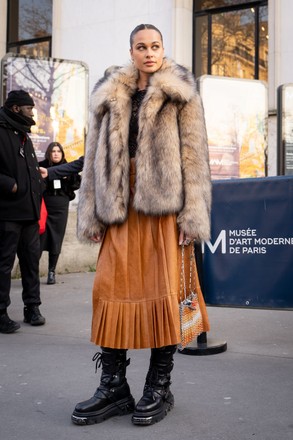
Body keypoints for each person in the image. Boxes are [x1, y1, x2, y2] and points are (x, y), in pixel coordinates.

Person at [71, 24, 212, 426]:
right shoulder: (110, 95)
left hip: (163, 210)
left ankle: (158, 385)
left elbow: (195, 160)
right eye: (141, 46)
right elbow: (93, 155)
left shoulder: (180, 93)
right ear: (130, 51)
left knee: (163, 292)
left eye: (155, 46)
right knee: (109, 290)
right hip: (119, 208)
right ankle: (114, 386)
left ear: (163, 50)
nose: (149, 52)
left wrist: (192, 215)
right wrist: (93, 210)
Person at [0, 89, 45, 334]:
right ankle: (0, 313)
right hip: (7, 213)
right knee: (3, 265)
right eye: (29, 108)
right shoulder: (1, 129)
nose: (32, 112)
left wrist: (38, 184)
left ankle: (32, 308)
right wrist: (11, 185)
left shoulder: (23, 133)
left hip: (29, 212)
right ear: (16, 108)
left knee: (30, 263)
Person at [39, 142, 81, 284]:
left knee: (56, 239)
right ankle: (31, 272)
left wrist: (67, 178)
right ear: (49, 153)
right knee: (39, 239)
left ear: (62, 153)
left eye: (59, 151)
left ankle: (52, 271)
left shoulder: (68, 167)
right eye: (53, 151)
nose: (56, 153)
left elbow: (77, 184)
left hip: (61, 208)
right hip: (45, 208)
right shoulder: (42, 166)